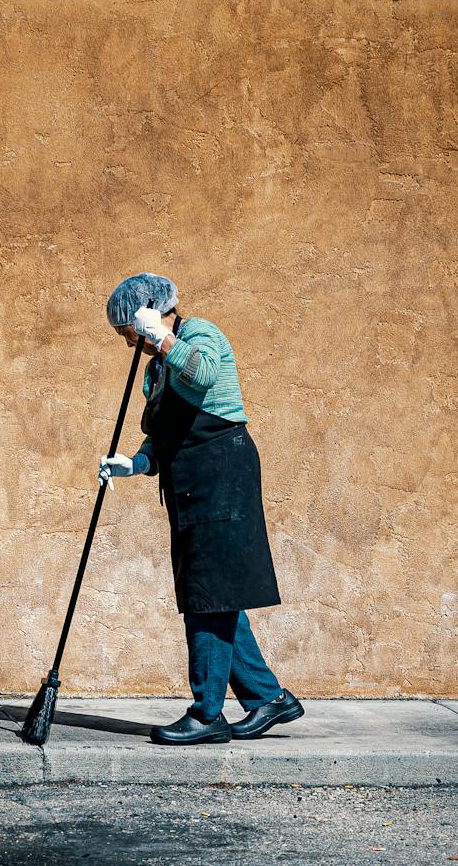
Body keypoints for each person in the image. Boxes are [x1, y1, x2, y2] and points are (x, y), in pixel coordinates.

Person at [97, 273, 303, 745]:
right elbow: (164, 432)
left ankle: (207, 714)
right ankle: (269, 699)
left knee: (207, 595)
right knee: (215, 594)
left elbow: (204, 373)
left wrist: (162, 335)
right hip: (190, 482)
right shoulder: (156, 368)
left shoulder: (198, 335)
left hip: (221, 474)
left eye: (126, 331)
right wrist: (137, 462)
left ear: (145, 313)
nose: (128, 342)